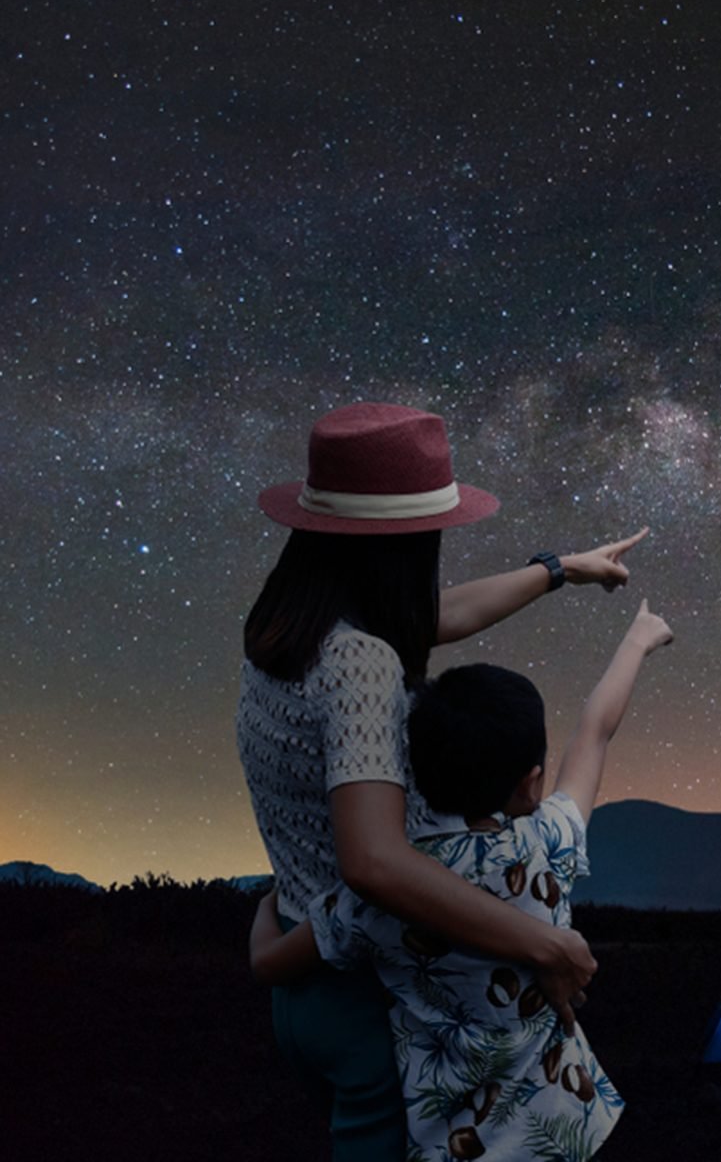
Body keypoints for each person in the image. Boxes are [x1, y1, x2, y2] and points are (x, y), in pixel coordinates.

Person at [236, 401, 649, 1159]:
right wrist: (546, 945)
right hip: (375, 998)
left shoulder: (285, 632)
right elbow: (373, 864)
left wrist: (558, 570)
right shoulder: (362, 661)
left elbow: (437, 615)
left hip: (303, 972)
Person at [250, 600, 674, 1162]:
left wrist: (269, 904)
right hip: (569, 1127)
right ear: (530, 783)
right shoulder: (547, 843)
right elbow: (594, 733)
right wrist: (637, 641)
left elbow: (269, 963)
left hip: (454, 1149)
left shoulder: (386, 891)